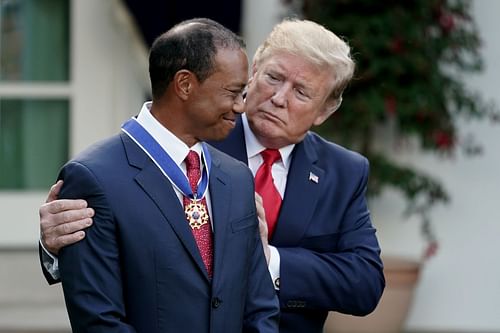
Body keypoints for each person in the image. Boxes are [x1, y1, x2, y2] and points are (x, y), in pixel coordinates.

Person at [39, 18, 385, 333]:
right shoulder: (187, 137)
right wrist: (56, 249)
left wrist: (271, 261)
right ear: (253, 74)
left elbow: (365, 283)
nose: (278, 98)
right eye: (273, 78)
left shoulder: (344, 171)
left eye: (301, 92)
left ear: (325, 110)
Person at [41, 18, 280, 332]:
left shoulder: (237, 178)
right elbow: (99, 321)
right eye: (233, 92)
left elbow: (260, 308)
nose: (240, 106)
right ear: (184, 85)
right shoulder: (93, 178)